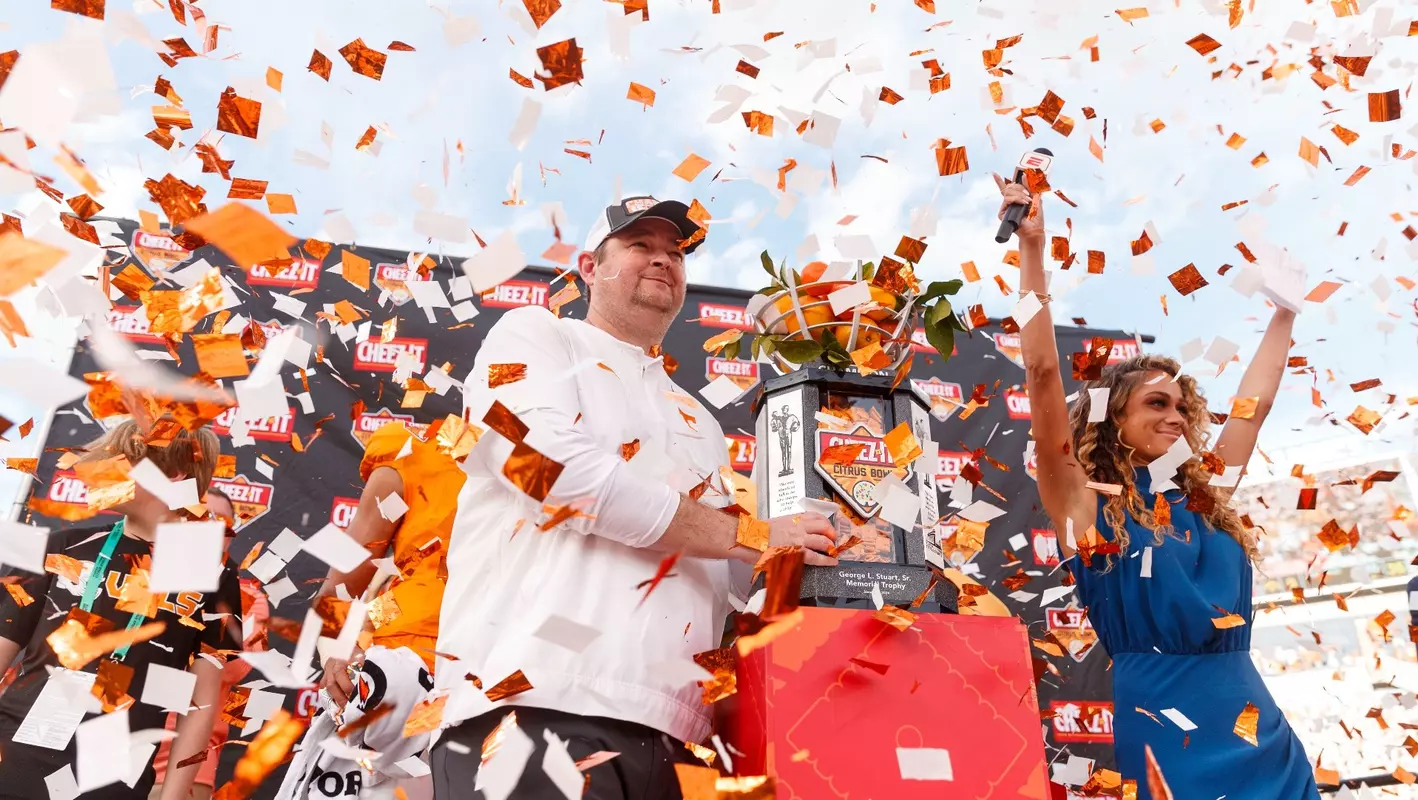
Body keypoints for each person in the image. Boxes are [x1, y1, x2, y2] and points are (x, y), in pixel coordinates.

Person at [431, 195, 839, 799]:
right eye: (640, 246)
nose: (663, 261)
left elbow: (723, 578)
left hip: (680, 742)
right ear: (590, 269)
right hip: (533, 704)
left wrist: (840, 551)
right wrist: (752, 534)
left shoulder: (700, 420)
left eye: (675, 252)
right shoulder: (536, 334)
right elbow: (549, 474)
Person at [998, 173, 1317, 799]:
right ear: (1114, 417)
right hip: (1165, 732)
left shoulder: (1204, 494)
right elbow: (1039, 372)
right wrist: (1032, 250)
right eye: (1155, 403)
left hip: (1257, 729)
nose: (1174, 416)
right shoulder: (1082, 501)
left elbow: (1254, 406)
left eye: (1182, 405)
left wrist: (1284, 311)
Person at [0, 420, 242, 800]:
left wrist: (173, 796)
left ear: (173, 474)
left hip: (113, 778)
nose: (95, 470)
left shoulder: (212, 574)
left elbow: (201, 704)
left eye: (118, 461)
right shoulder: (59, 546)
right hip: (12, 759)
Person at [272, 420, 464, 800]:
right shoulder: (419, 452)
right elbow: (340, 583)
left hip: (505, 675)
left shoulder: (566, 470)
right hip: (405, 672)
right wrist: (338, 655)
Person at [149, 488, 270, 800]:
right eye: (196, 515)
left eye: (217, 520)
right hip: (107, 745)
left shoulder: (247, 595)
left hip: (182, 762)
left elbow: (233, 669)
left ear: (229, 535)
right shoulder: (139, 572)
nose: (205, 525)